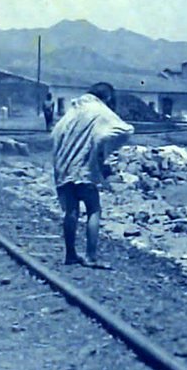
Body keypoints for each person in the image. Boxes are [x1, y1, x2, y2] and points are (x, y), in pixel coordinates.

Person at [51, 82, 134, 268]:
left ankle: (70, 254)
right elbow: (124, 130)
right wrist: (102, 151)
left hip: (64, 168)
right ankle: (90, 256)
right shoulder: (100, 111)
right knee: (94, 210)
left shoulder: (72, 111)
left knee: (71, 211)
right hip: (85, 168)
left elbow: (55, 135)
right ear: (108, 97)